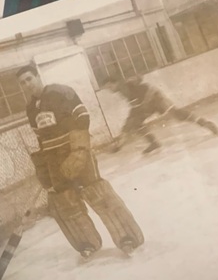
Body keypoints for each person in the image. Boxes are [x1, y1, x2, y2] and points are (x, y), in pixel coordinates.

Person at [17, 64, 144, 261]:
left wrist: (79, 150)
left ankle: (127, 238)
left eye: (29, 79)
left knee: (98, 194)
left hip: (75, 151)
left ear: (37, 76)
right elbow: (41, 139)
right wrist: (44, 168)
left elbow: (83, 117)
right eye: (23, 83)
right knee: (67, 202)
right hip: (54, 160)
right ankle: (87, 243)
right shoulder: (30, 108)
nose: (27, 84)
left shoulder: (60, 92)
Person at [105, 75, 218, 154]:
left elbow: (143, 83)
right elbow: (135, 108)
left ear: (115, 83)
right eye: (107, 88)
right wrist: (124, 133)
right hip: (146, 104)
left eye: (110, 86)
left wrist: (124, 132)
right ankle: (153, 143)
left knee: (177, 114)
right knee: (136, 123)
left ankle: (205, 123)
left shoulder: (126, 85)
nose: (109, 90)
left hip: (156, 98)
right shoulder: (122, 90)